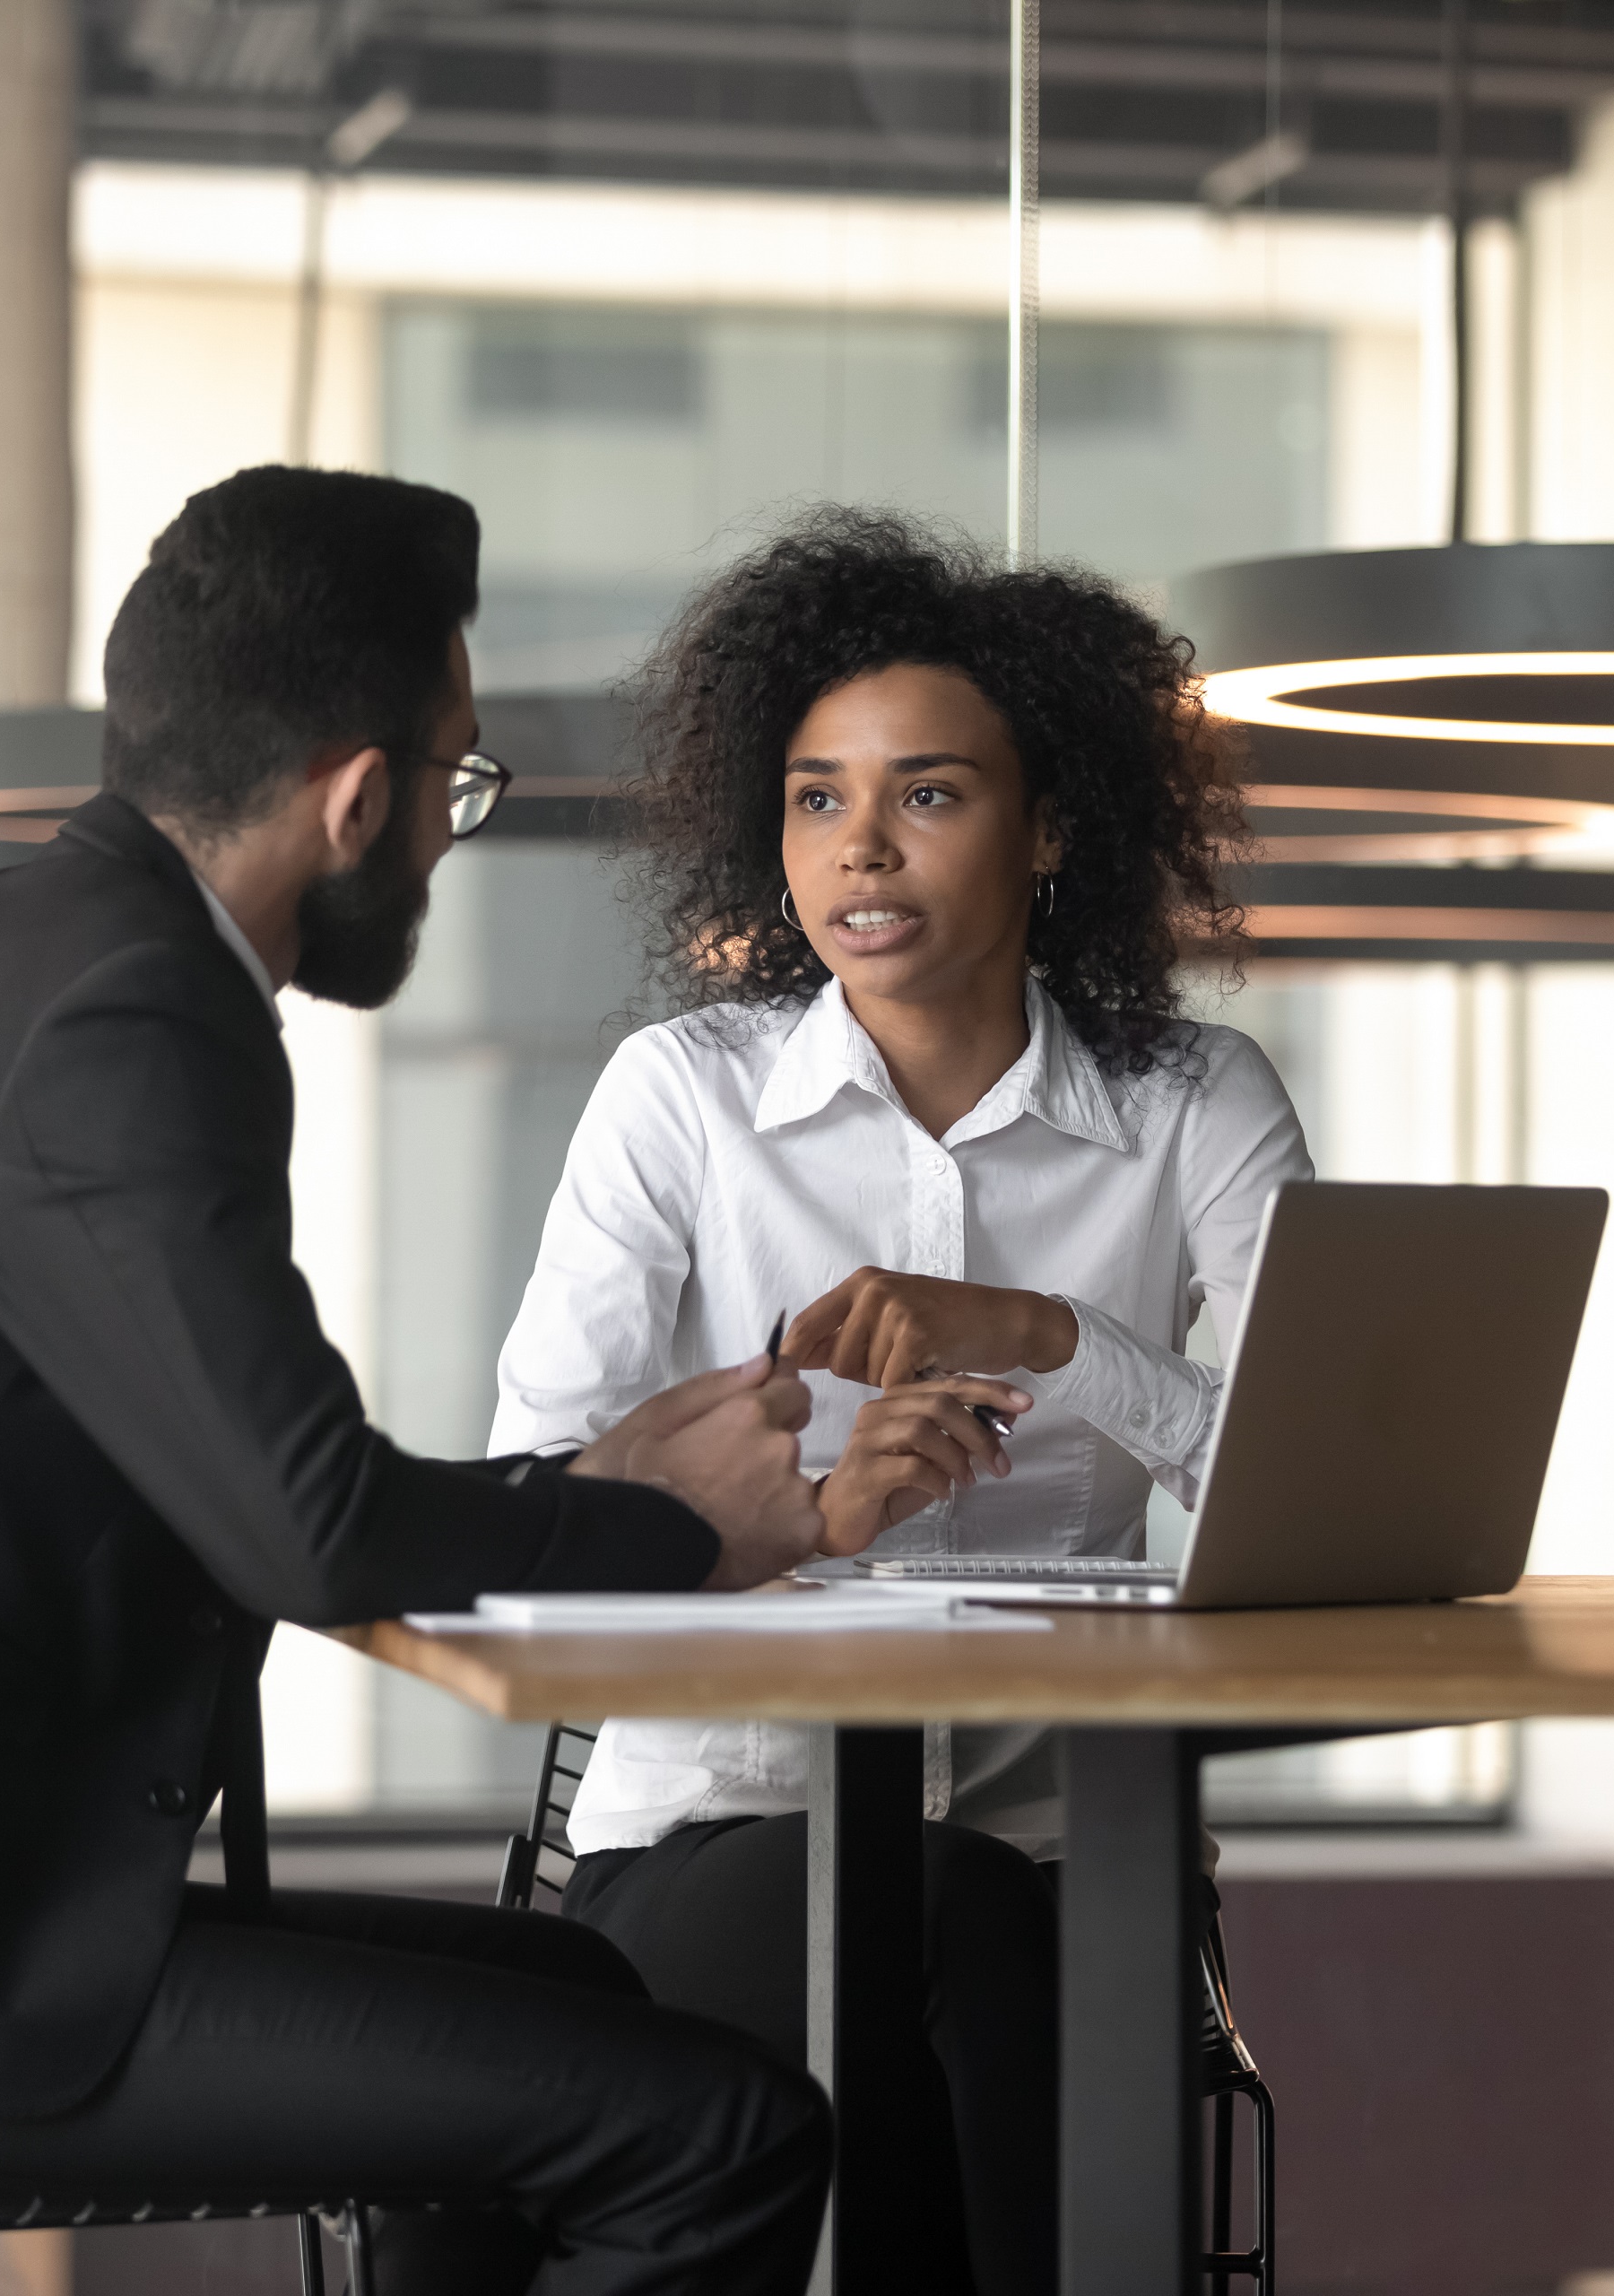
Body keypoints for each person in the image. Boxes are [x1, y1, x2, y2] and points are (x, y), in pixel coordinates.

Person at [0, 468, 835, 2296]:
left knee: (573, 1996)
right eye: (453, 784)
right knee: (729, 2131)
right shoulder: (133, 1015)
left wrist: (604, 1469)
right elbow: (311, 1526)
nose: (442, 837)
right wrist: (674, 1526)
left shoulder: (51, 941)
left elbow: (252, 1470)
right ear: (352, 792)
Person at [489, 509, 1316, 2296]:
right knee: (946, 1910)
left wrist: (1048, 1330)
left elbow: (1306, 1484)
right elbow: (533, 1479)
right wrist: (792, 1499)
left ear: (1056, 827)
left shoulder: (1196, 1102)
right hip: (710, 1827)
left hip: (1067, 1843)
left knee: (981, 1907)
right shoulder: (682, 1099)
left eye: (928, 792)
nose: (859, 843)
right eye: (815, 795)